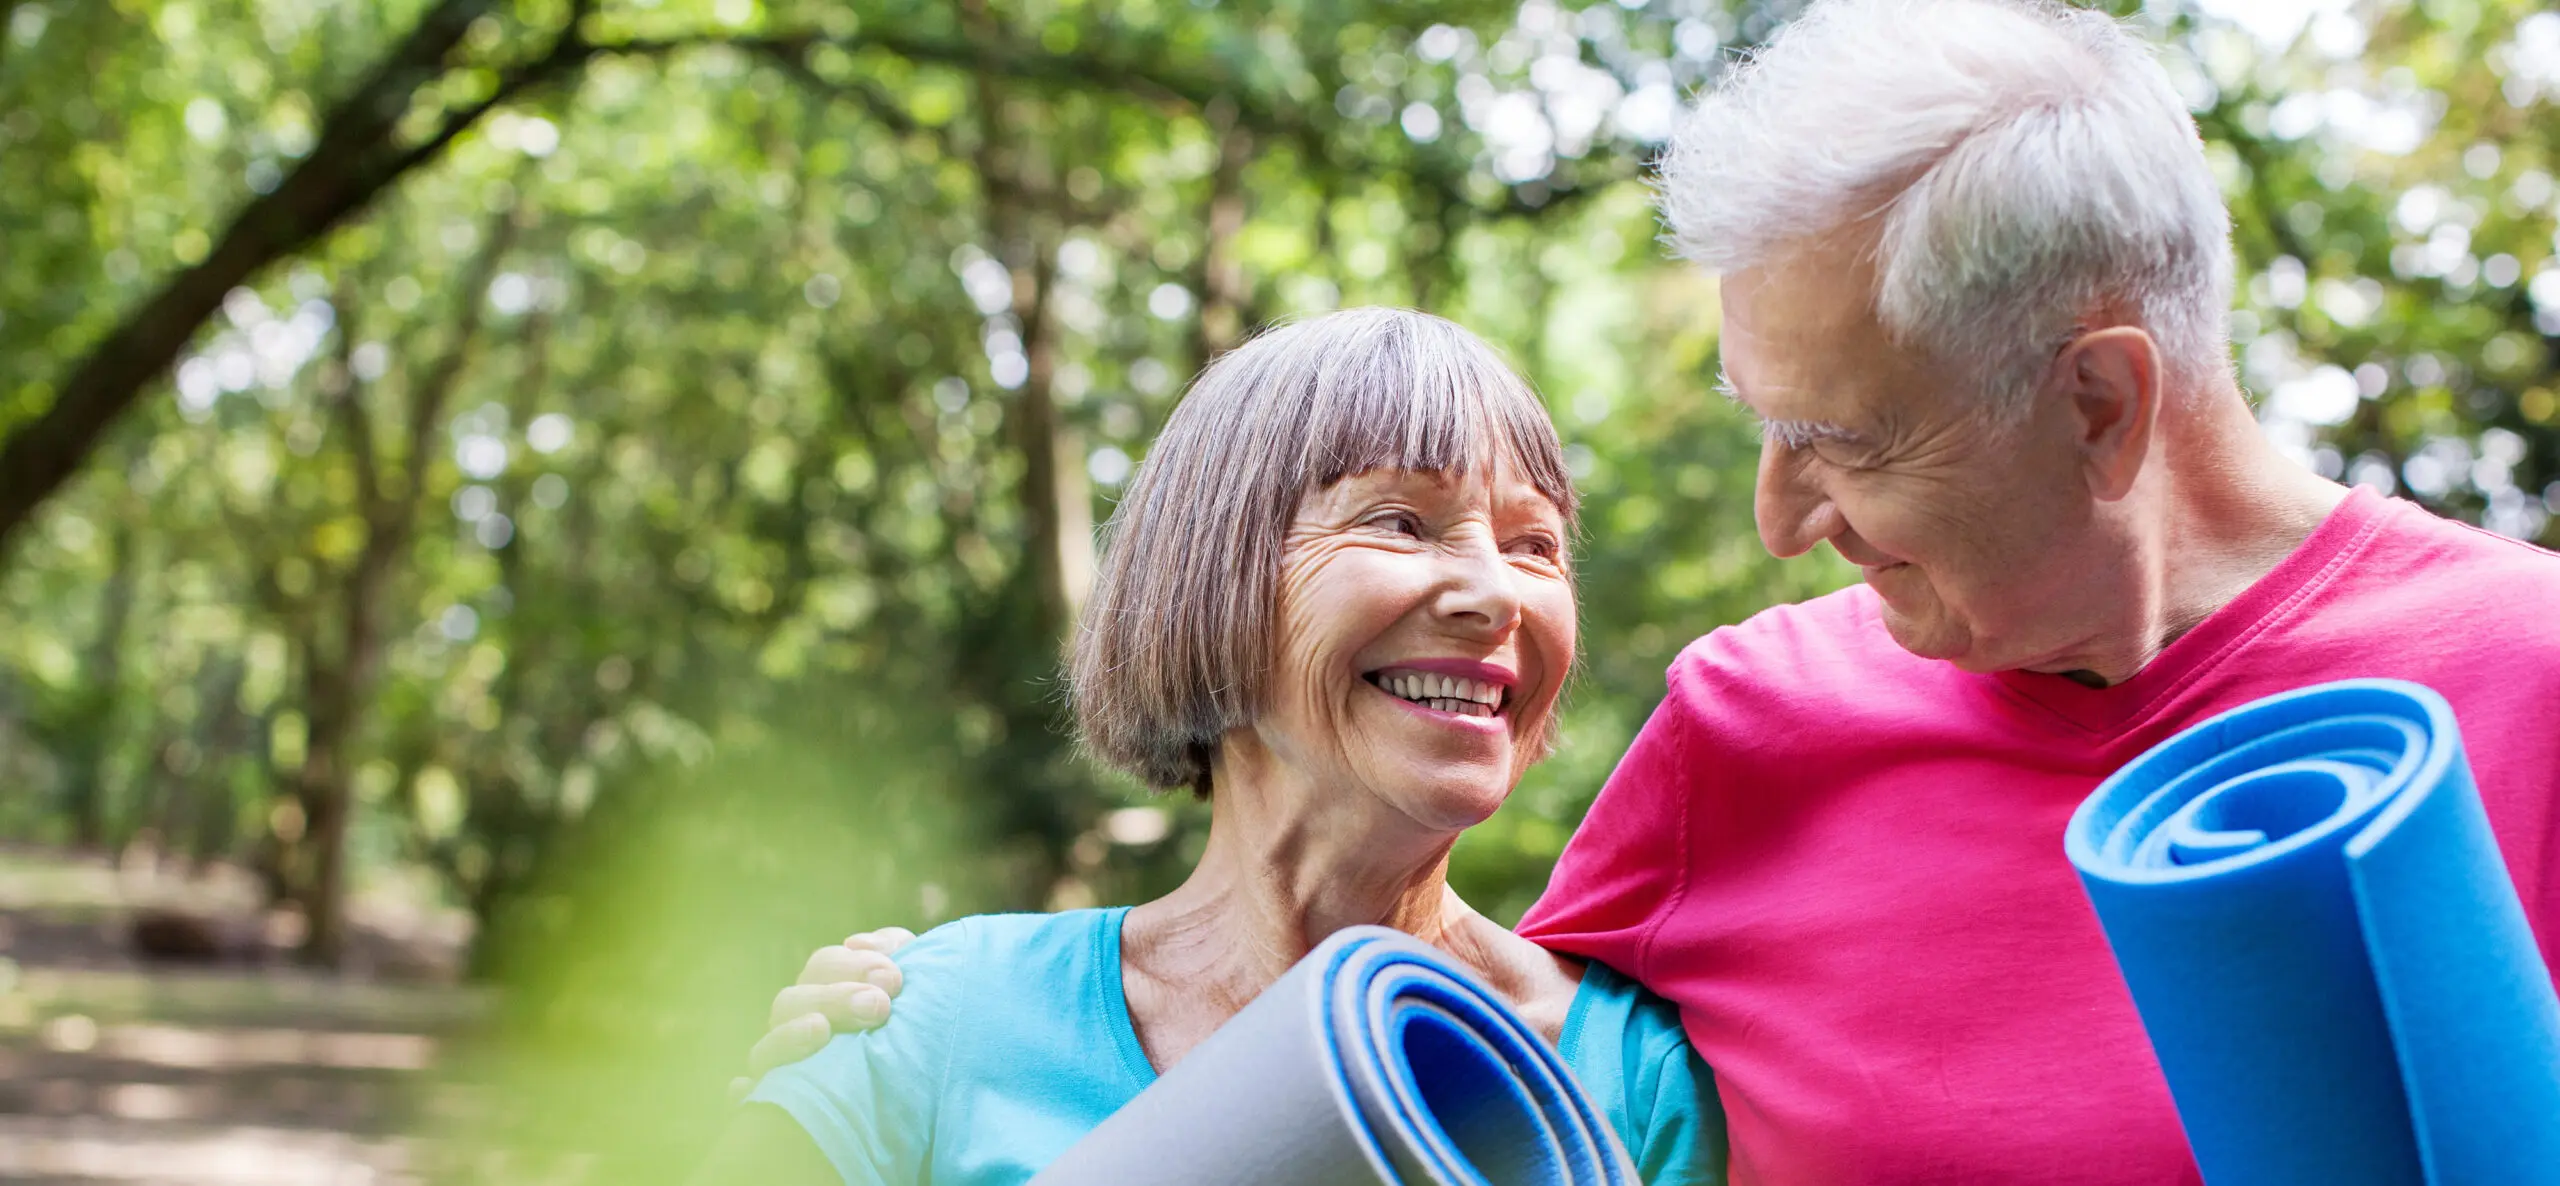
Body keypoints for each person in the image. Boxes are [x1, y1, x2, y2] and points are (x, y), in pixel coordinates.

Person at [752, 2, 2560, 1182]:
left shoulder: (2528, 687)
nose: (1783, 522)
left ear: (2097, 403)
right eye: (1758, 430)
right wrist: (886, 1033)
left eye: (1843, 440)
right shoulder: (1750, 732)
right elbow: (1390, 979)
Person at [691, 307, 1728, 1184]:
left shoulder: (1629, 1082)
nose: (1494, 593)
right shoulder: (939, 1015)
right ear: (1213, 575)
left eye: (1533, 543)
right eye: (1401, 523)